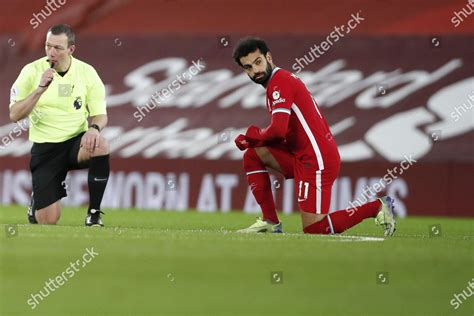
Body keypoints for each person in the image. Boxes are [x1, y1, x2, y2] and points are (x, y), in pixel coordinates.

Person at [232, 37, 396, 236]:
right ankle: (270, 222)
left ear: (268, 57)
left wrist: (254, 136)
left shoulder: (279, 82)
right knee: (253, 155)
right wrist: (254, 141)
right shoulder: (277, 83)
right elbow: (282, 134)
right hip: (304, 155)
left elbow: (277, 131)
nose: (255, 71)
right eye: (248, 67)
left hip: (316, 159)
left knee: (315, 229)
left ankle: (377, 207)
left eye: (258, 62)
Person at [9, 24, 109, 227]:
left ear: (71, 49)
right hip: (46, 148)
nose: (51, 52)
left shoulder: (86, 72)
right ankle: (37, 200)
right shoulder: (31, 71)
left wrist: (93, 128)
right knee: (48, 221)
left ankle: (94, 214)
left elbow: (100, 115)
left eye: (58, 48)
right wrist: (39, 90)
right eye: (48, 46)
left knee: (101, 144)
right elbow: (14, 115)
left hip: (75, 143)